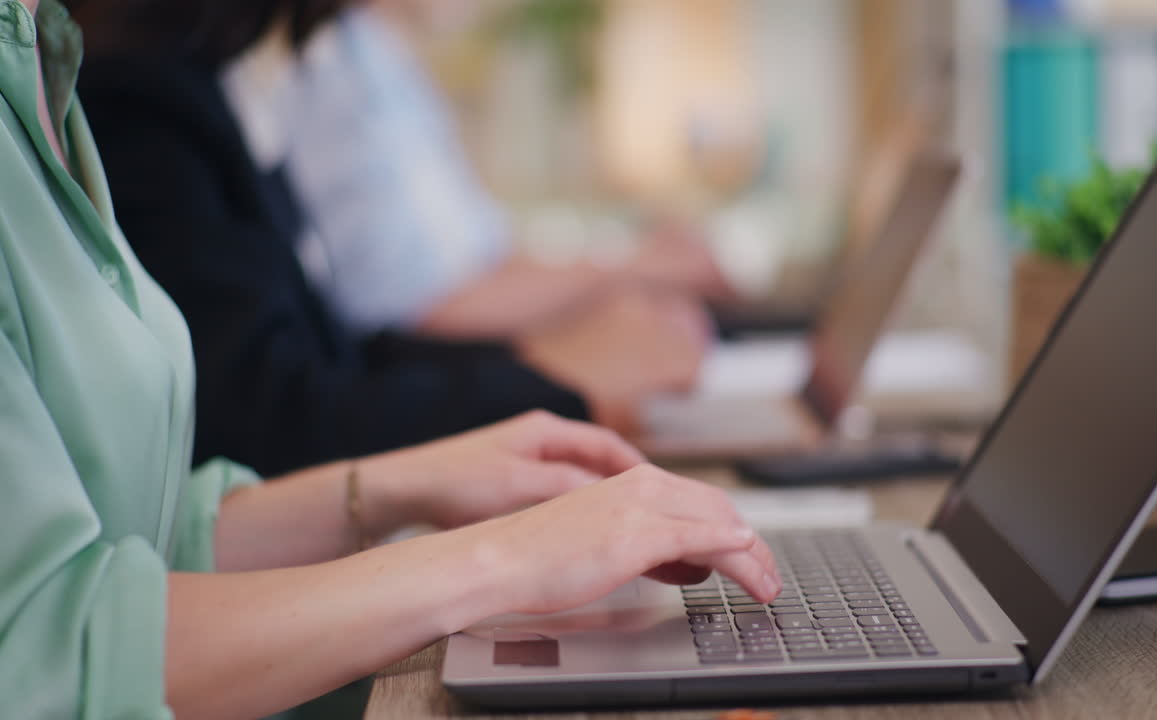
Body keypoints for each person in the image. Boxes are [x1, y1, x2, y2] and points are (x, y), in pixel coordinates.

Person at [0, 2, 780, 717]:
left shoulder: (44, 65)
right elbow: (48, 645)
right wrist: (503, 559)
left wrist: (400, 483)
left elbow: (147, 532)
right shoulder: (122, 82)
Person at [72, 0, 710, 478]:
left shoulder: (217, 79)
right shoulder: (143, 95)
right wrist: (553, 381)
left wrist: (545, 366)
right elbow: (269, 427)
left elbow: (334, 355)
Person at [224, 1, 734, 342]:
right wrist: (628, 271)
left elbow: (489, 261)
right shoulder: (328, 71)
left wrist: (627, 269)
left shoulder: (383, 61)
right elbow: (412, 314)